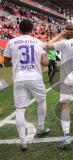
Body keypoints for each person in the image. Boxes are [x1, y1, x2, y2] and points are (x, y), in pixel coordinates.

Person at [3, 19, 50, 151]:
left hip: (19, 78)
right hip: (35, 77)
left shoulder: (11, 42)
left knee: (20, 109)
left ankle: (23, 141)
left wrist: (18, 64)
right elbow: (45, 63)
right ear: (33, 29)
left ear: (19, 29)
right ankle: (40, 127)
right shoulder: (39, 42)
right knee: (41, 101)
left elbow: (6, 63)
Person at [46, 24, 73, 149]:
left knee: (65, 105)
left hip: (67, 79)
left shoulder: (65, 43)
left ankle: (66, 135)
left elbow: (45, 47)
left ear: (66, 33)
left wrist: (60, 35)